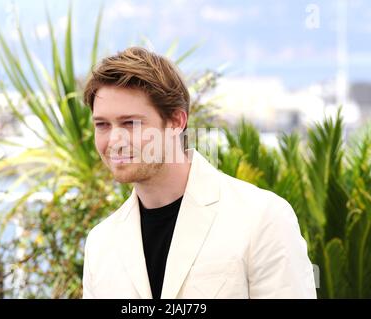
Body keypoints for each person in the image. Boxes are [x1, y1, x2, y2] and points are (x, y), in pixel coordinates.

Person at [82, 47, 317, 299]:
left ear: (175, 122)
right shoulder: (101, 243)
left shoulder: (262, 218)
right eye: (102, 125)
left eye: (131, 123)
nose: (115, 139)